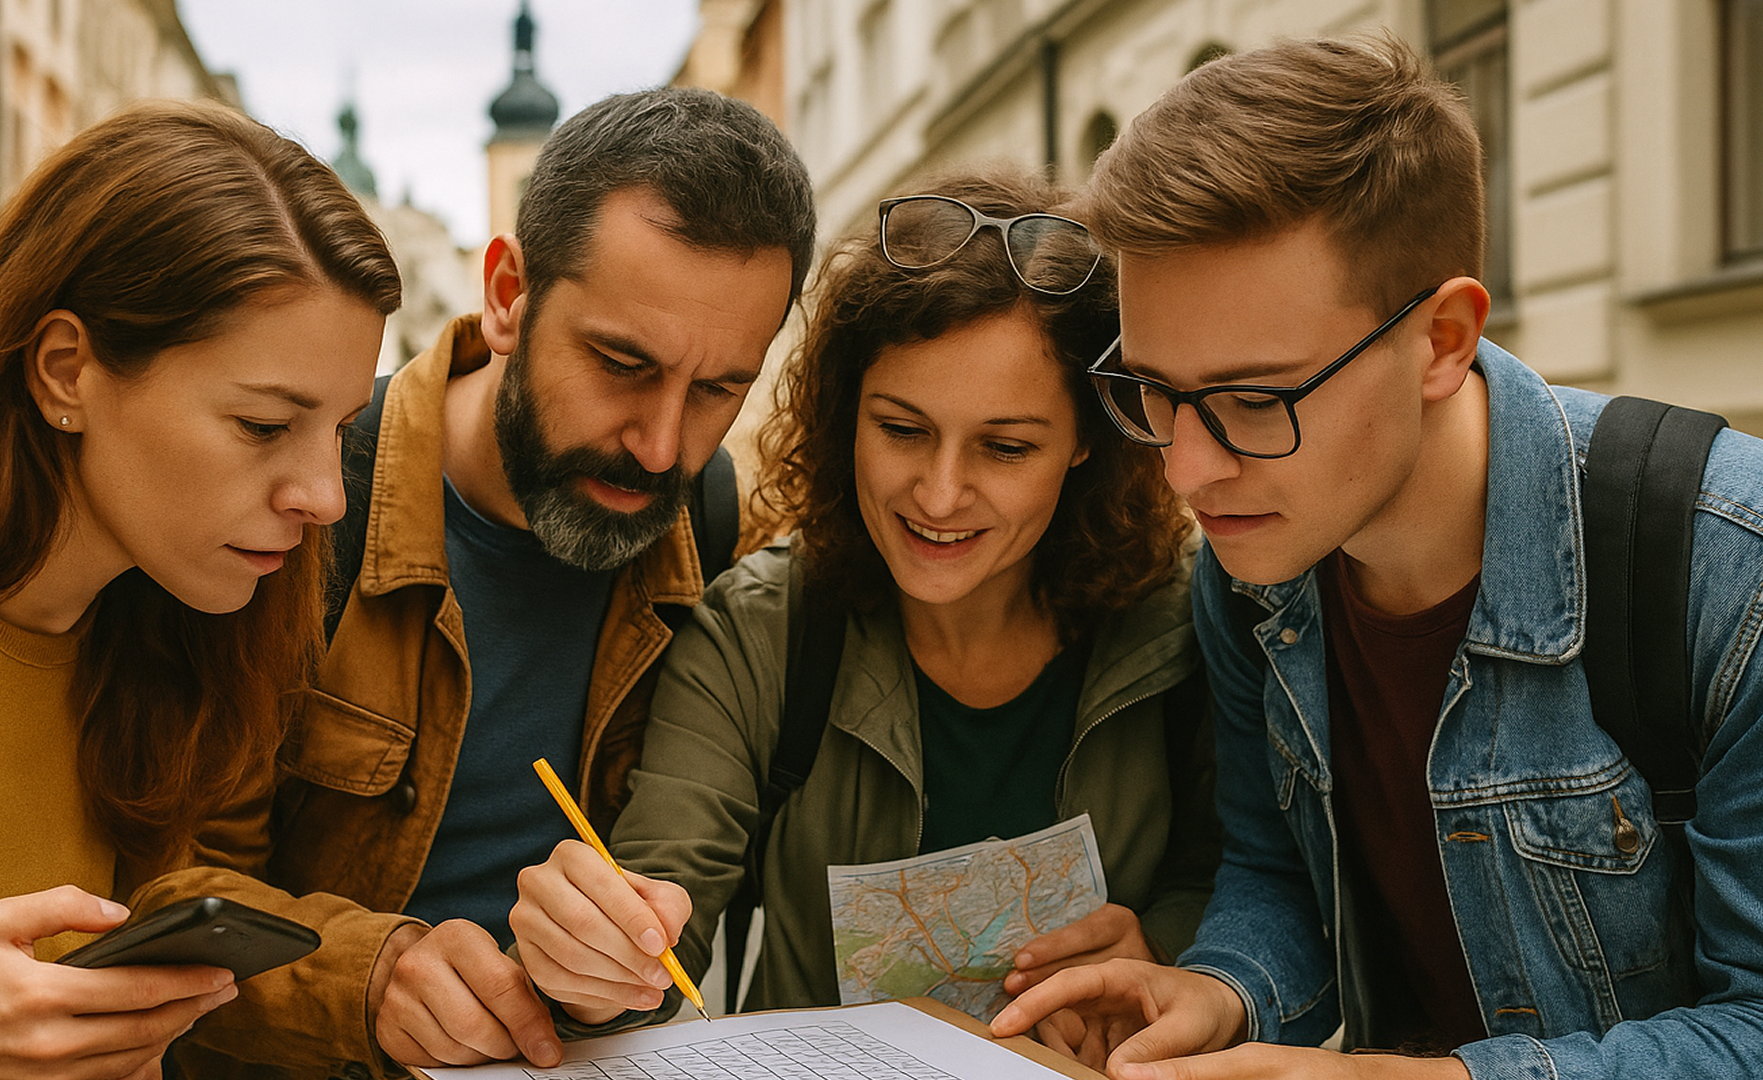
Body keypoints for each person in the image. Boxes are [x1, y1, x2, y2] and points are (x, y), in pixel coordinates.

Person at [987, 33, 1763, 1080]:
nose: (1187, 471)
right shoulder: (1250, 577)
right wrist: (1218, 991)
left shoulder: (1729, 573)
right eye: (1155, 392)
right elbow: (1281, 872)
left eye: (1257, 401)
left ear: (1442, 339)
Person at [126, 86, 816, 1078]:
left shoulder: (712, 524)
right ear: (506, 296)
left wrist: (626, 964)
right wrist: (368, 979)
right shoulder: (302, 503)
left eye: (718, 389)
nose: (662, 445)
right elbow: (163, 894)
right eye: (622, 362)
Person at [509, 167, 1220, 1032]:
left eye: (1004, 447)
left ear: (1084, 444)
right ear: (847, 415)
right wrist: (598, 960)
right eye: (903, 430)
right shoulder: (763, 631)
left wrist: (1169, 947)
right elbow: (666, 908)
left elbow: (1248, 881)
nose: (941, 494)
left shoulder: (1186, 619)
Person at [0, 101, 398, 1079]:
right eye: (265, 426)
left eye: (342, 431)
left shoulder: (169, 637)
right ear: (67, 372)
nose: (322, 497)